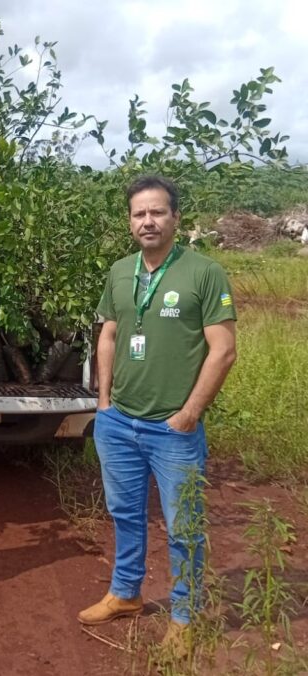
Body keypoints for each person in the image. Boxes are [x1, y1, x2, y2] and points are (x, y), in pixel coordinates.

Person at [77, 175, 237, 650]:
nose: (148, 221)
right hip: (119, 422)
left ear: (176, 217)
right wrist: (104, 403)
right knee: (125, 514)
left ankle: (184, 616)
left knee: (184, 526)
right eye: (138, 214)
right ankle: (125, 593)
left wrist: (188, 414)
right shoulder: (120, 271)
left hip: (174, 430)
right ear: (130, 221)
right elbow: (107, 334)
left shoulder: (204, 272)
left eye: (157, 212)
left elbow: (223, 350)